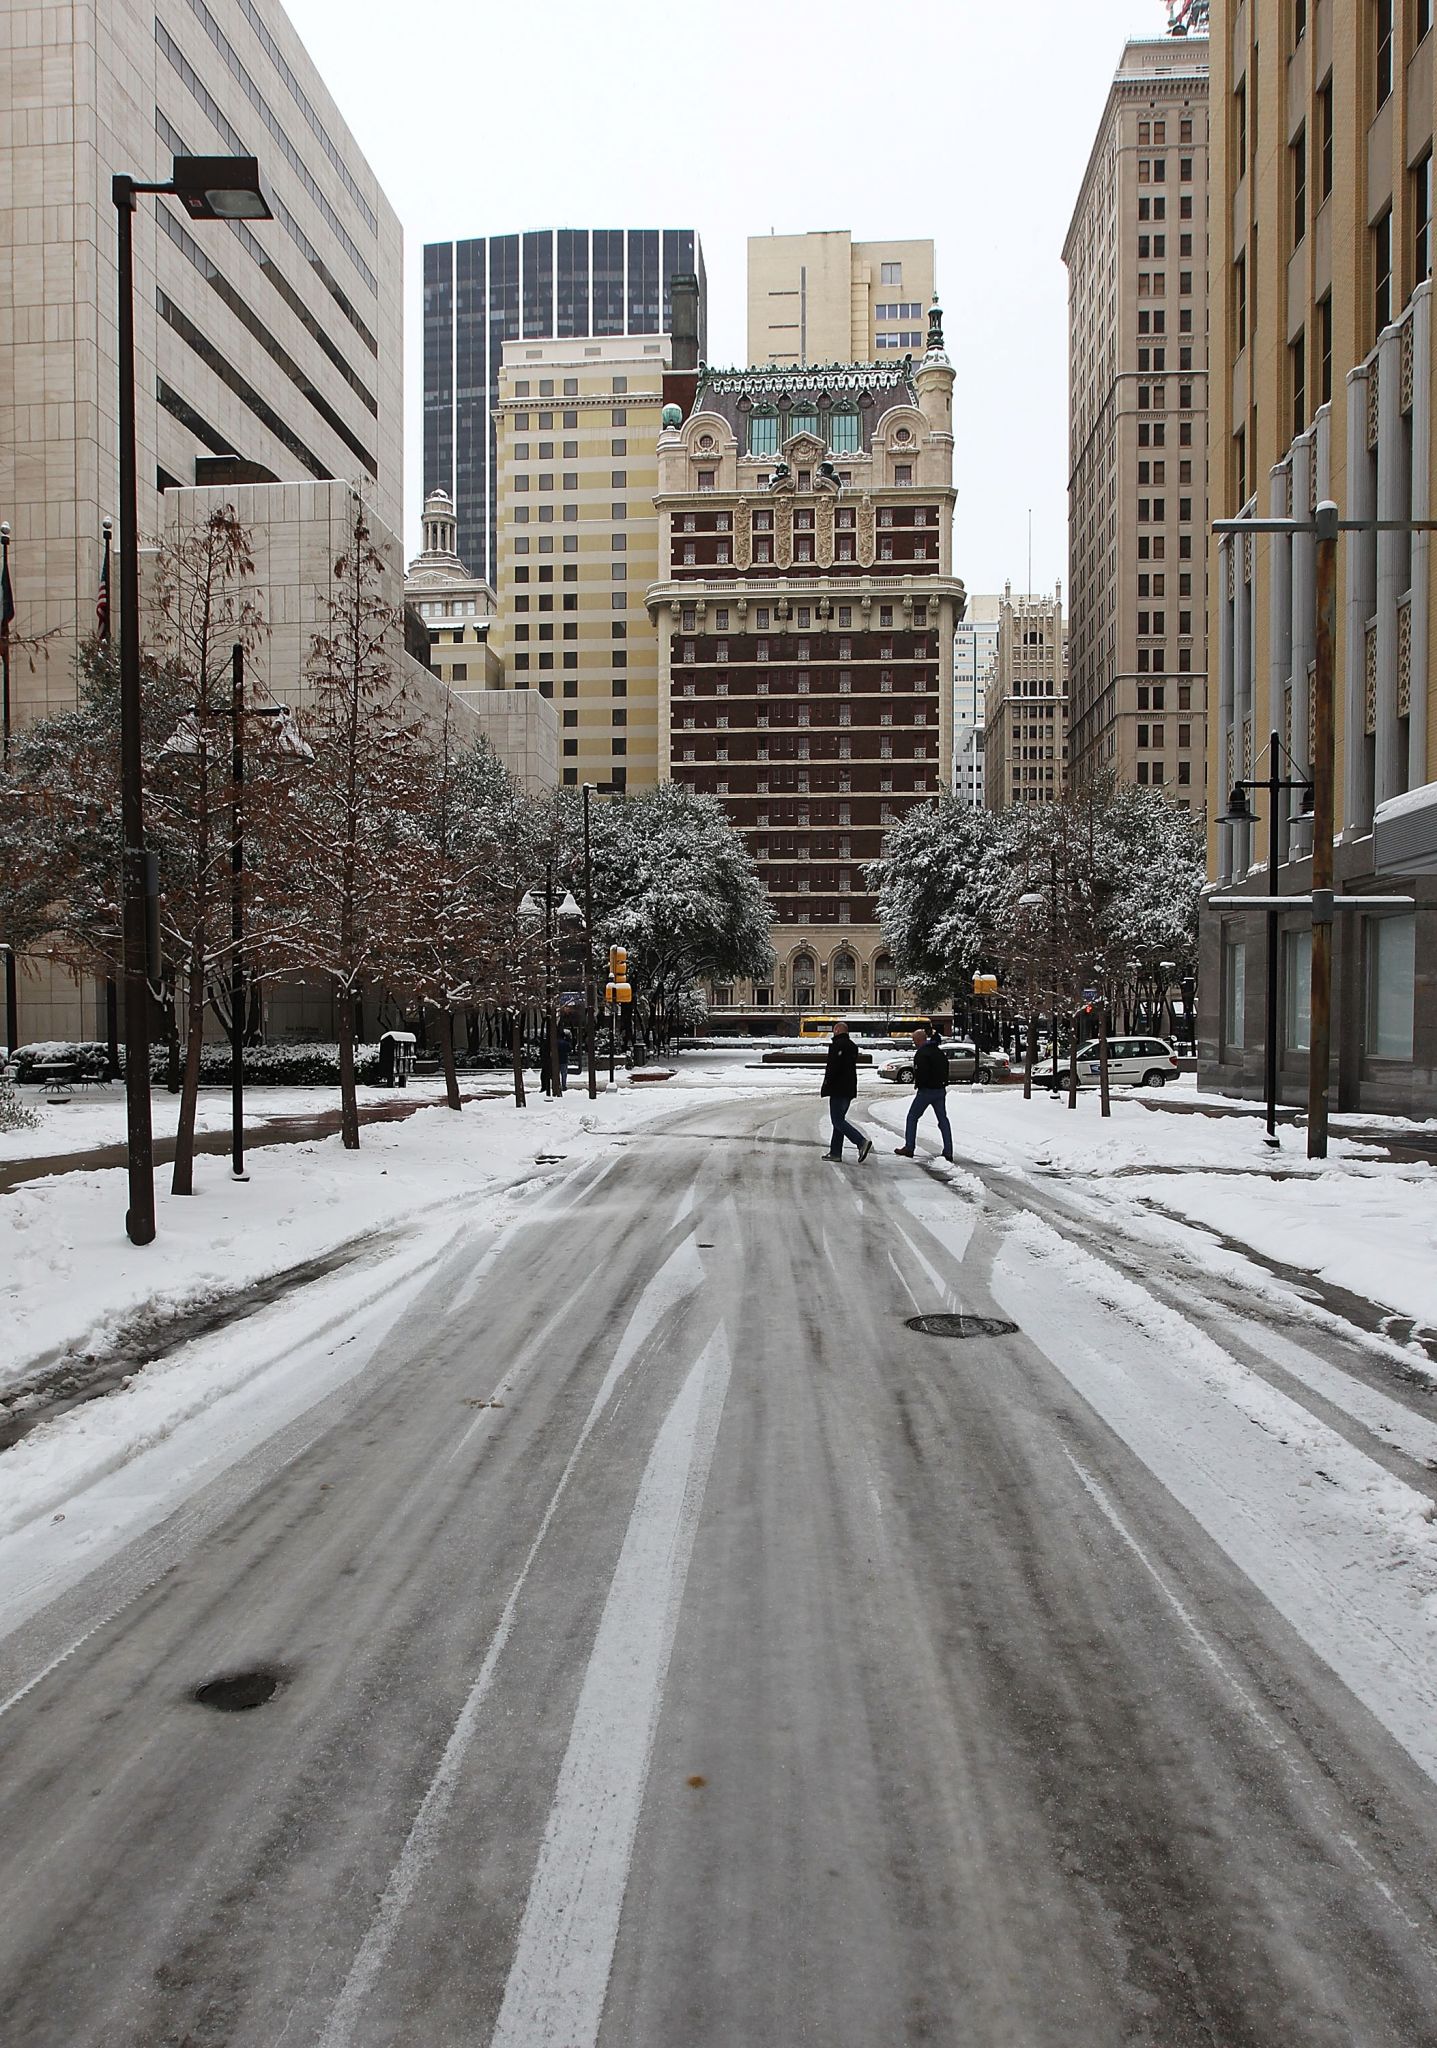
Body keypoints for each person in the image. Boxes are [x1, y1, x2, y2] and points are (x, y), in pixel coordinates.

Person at [895, 1027, 953, 1161]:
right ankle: (948, 1150)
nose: (913, 1042)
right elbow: (945, 1068)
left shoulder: (921, 1054)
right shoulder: (938, 1052)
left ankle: (909, 1147)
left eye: (914, 1040)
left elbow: (921, 1072)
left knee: (912, 1117)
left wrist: (920, 1084)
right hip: (940, 1090)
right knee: (943, 1120)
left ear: (919, 1040)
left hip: (926, 1091)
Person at [820, 1019, 873, 1163]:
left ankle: (861, 1142)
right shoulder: (852, 1046)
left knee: (837, 1120)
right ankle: (835, 1152)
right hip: (849, 1088)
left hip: (838, 1088)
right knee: (839, 1121)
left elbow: (833, 1067)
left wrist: (826, 1084)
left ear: (837, 1030)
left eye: (834, 1030)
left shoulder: (837, 1045)